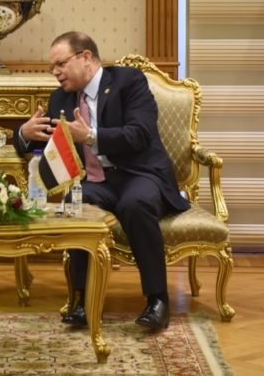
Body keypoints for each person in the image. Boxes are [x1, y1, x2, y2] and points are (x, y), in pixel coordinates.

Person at [14, 31, 188, 331]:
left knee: (135, 204)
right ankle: (83, 301)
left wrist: (91, 136)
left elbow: (140, 134)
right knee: (76, 204)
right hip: (97, 182)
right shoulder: (60, 98)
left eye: (60, 64)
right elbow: (47, 141)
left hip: (140, 173)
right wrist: (23, 134)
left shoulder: (128, 82)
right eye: (52, 67)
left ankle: (157, 300)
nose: (55, 72)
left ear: (85, 57)